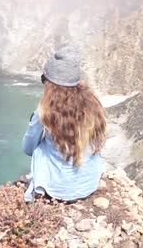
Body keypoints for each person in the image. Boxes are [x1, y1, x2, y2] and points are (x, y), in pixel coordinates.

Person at [21, 46, 106, 202]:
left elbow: (28, 148)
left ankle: (39, 190)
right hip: (89, 185)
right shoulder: (93, 104)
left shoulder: (44, 111)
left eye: (44, 79)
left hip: (57, 190)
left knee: (40, 149)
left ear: (50, 83)